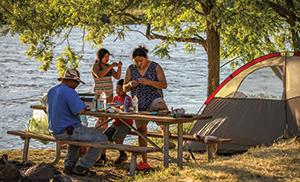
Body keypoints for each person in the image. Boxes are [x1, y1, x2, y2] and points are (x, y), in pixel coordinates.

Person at [47, 68, 107, 176]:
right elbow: (80, 110)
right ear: (71, 80)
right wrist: (84, 106)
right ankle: (82, 167)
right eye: (77, 82)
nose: (77, 85)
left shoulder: (52, 90)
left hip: (54, 130)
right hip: (66, 131)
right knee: (102, 138)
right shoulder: (69, 91)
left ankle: (68, 166)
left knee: (78, 137)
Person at [123, 46, 169, 170]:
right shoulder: (131, 69)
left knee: (160, 108)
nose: (139, 63)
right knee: (142, 131)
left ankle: (166, 133)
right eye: (136, 61)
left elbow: (164, 85)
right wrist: (130, 84)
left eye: (141, 61)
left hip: (154, 98)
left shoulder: (155, 66)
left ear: (146, 58)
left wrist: (149, 82)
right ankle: (145, 161)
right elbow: (124, 88)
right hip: (138, 102)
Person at [104, 79, 133, 165]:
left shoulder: (128, 98)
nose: (118, 91)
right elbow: (112, 107)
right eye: (117, 89)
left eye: (120, 89)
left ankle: (122, 154)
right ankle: (102, 157)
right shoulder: (115, 98)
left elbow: (131, 109)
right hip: (116, 122)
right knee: (103, 136)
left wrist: (124, 107)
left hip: (126, 123)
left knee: (117, 137)